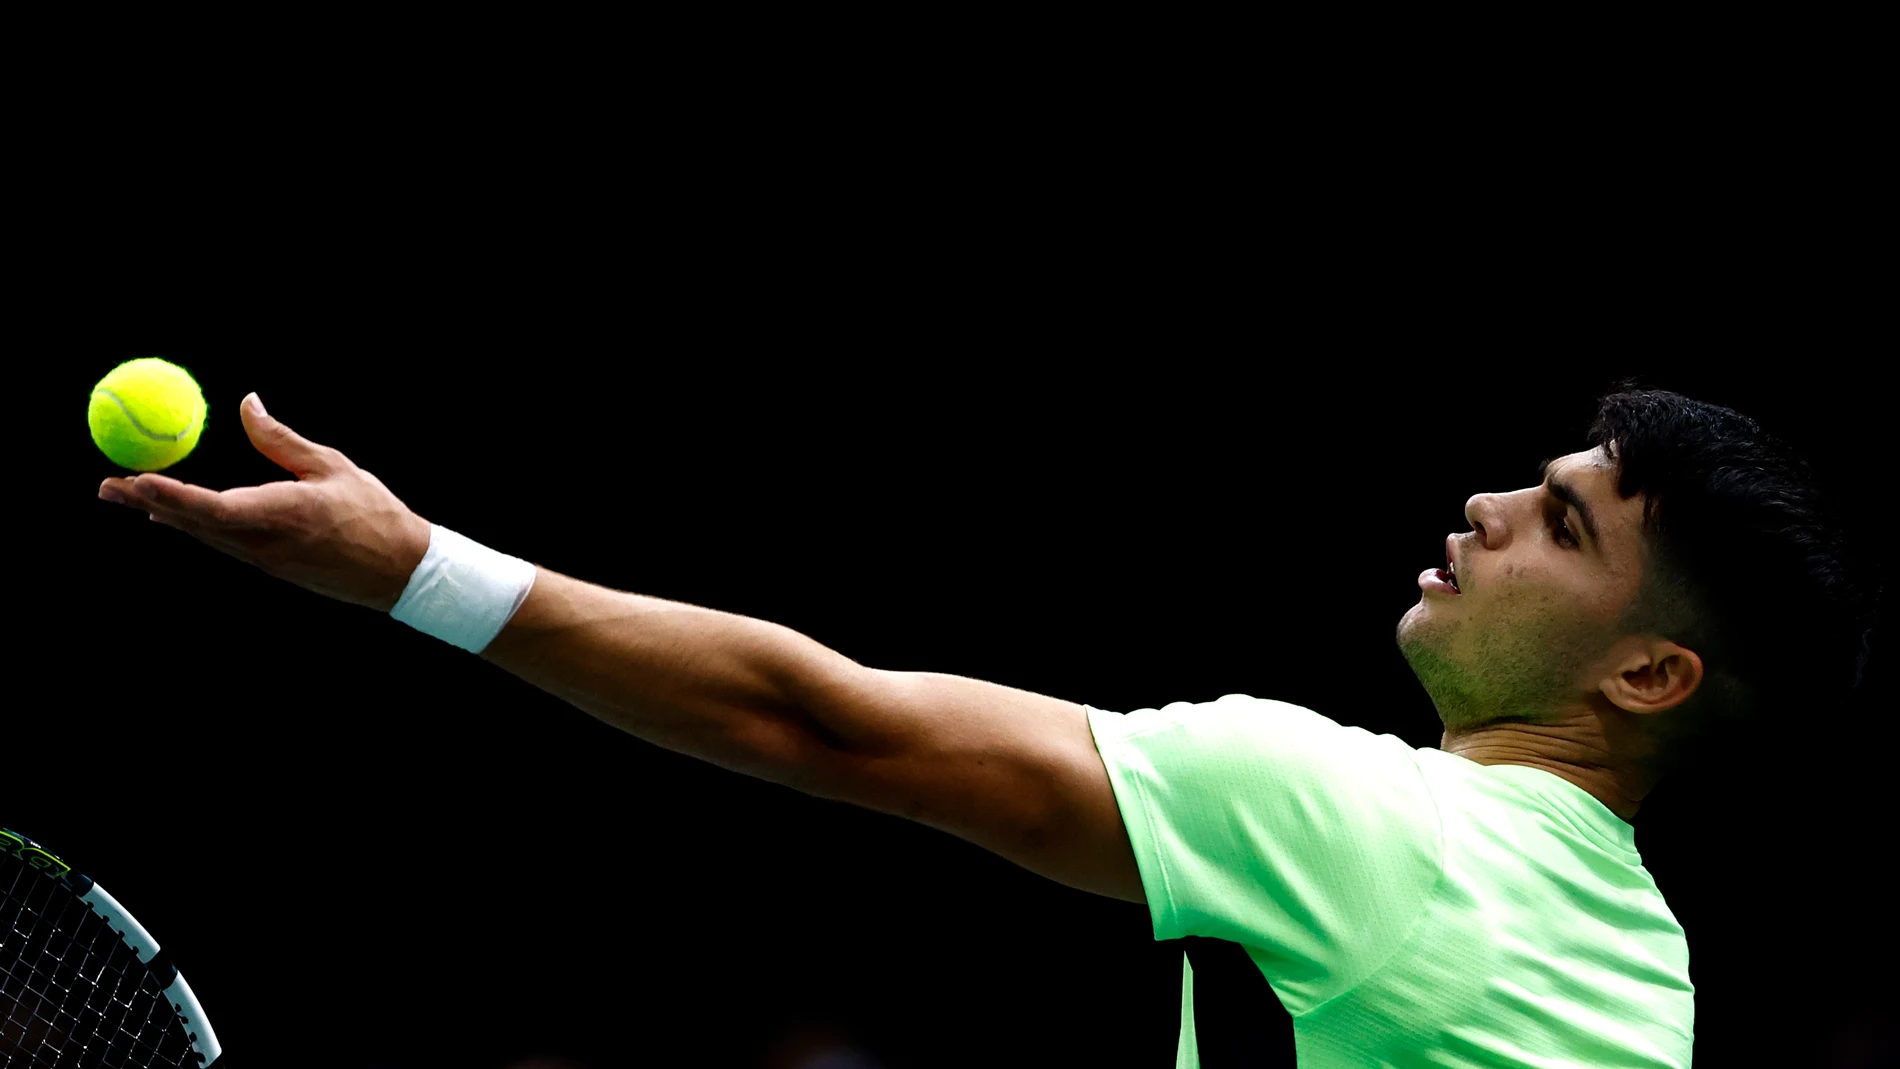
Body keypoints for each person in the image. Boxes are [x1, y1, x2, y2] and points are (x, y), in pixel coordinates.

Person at [95, 384, 1877, 1068]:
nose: (1492, 503)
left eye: (1567, 524)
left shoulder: (1359, 822)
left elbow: (823, 726)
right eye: (1538, 478)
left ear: (1649, 677)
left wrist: (416, 571)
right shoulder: (1650, 978)